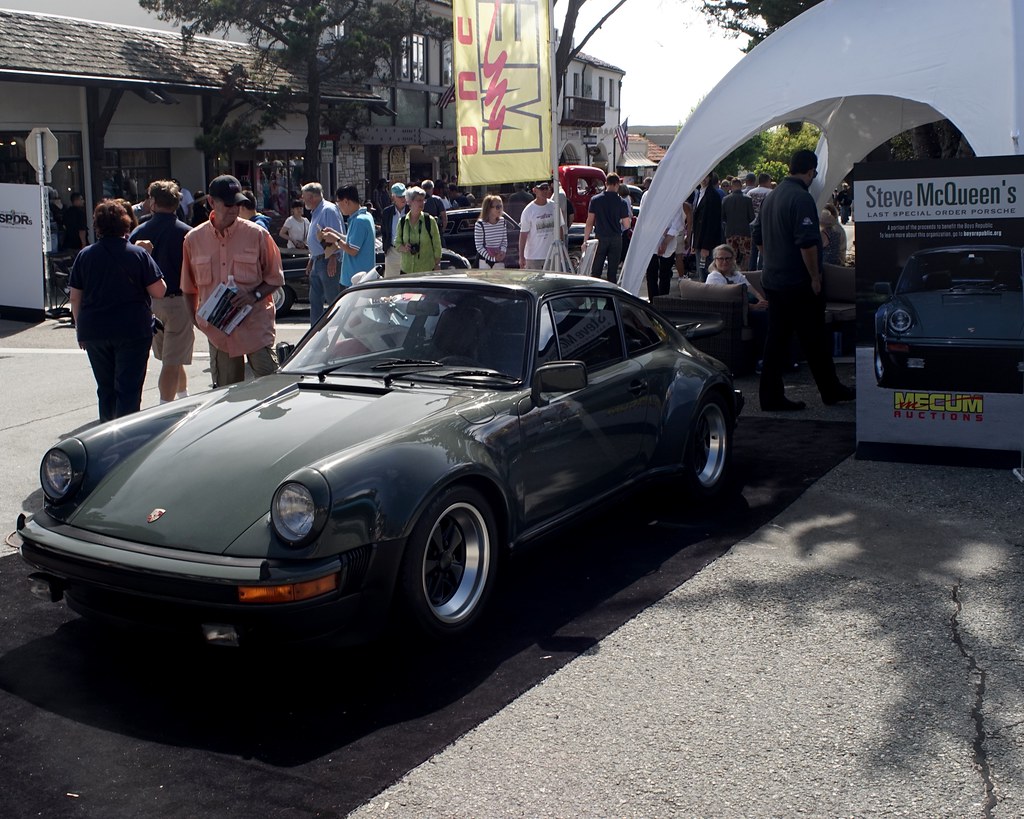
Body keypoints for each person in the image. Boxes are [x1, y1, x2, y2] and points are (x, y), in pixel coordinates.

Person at [753, 149, 855, 411]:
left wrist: (774, 258)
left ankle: (770, 396)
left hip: (774, 279)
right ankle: (830, 389)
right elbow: (807, 243)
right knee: (815, 338)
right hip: (798, 282)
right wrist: (815, 277)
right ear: (811, 171)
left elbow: (758, 237)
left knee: (776, 340)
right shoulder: (801, 198)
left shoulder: (772, 196)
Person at [181, 174, 284, 388]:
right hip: (219, 334)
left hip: (255, 328)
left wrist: (253, 295)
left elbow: (275, 277)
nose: (235, 209)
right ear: (211, 202)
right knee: (226, 396)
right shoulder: (193, 239)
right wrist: (198, 322)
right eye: (229, 204)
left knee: (271, 390)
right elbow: (188, 287)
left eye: (238, 203)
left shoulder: (257, 234)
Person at [69, 199, 166, 421]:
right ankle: (127, 434)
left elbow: (75, 297)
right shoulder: (138, 254)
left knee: (105, 388)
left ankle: (106, 431)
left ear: (98, 225)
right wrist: (148, 256)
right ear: (125, 223)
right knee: (129, 389)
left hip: (95, 329)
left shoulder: (85, 255)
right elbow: (159, 291)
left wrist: (80, 329)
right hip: (132, 328)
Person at [130, 179, 194, 404]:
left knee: (171, 357)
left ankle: (182, 397)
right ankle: (165, 406)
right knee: (173, 359)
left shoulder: (139, 231)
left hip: (150, 303)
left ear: (153, 202)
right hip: (179, 300)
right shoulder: (188, 234)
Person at [301, 181, 344, 325]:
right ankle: (315, 333)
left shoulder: (328, 210)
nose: (303, 200)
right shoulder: (316, 211)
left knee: (333, 300)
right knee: (315, 300)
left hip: (328, 261)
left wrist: (333, 258)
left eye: (305, 197)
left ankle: (339, 329)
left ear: (312, 197)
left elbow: (335, 236)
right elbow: (318, 237)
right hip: (317, 260)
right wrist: (311, 259)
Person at [583, 173, 631, 283]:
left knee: (596, 271)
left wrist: (585, 240)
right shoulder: (622, 202)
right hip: (616, 238)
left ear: (606, 184)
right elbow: (627, 225)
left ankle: (595, 292)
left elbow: (590, 221)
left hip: (600, 237)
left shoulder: (595, 200)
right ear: (617, 184)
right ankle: (610, 293)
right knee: (612, 273)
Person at [325, 184, 376, 287]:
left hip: (357, 279)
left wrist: (336, 239)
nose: (338, 207)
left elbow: (352, 250)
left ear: (346, 201)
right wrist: (335, 233)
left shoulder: (359, 221)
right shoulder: (365, 215)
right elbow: (351, 241)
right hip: (359, 277)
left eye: (338, 202)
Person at [397, 186, 442, 274]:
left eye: (423, 200)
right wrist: (404, 248)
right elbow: (397, 243)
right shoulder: (402, 221)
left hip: (426, 270)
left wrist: (437, 264)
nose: (422, 203)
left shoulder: (429, 220)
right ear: (410, 202)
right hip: (407, 270)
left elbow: (437, 245)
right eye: (419, 200)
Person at [518, 181, 562, 269]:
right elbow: (523, 235)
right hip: (534, 256)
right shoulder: (528, 210)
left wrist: (560, 249)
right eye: (542, 188)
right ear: (534, 190)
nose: (545, 191)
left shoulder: (554, 206)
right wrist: (521, 256)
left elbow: (560, 228)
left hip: (552, 255)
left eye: (546, 188)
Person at [691, 172, 723, 279]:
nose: (704, 179)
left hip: (707, 243)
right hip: (699, 240)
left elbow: (712, 223)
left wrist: (706, 246)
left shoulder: (712, 195)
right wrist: (693, 243)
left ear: (710, 178)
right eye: (702, 177)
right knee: (702, 272)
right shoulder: (699, 193)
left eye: (706, 177)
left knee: (707, 274)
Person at [722, 178, 755, 268]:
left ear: (731, 186)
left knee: (731, 255)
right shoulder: (748, 199)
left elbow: (723, 217)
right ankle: (745, 272)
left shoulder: (725, 199)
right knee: (746, 255)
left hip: (730, 231)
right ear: (741, 186)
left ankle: (732, 272)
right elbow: (752, 217)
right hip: (744, 231)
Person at [380, 182, 408, 279]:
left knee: (409, 281)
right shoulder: (387, 212)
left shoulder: (411, 210)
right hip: (392, 251)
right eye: (400, 197)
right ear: (393, 197)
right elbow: (384, 232)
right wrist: (386, 250)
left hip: (408, 251)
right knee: (390, 281)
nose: (403, 199)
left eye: (404, 196)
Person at [746, 173, 773, 271]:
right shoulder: (771, 193)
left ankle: (751, 269)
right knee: (763, 248)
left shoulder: (750, 193)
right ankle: (761, 269)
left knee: (752, 249)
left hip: (751, 222)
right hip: (764, 223)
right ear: (768, 181)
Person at [474, 194, 508, 269]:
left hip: (499, 260)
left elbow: (504, 241)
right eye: (497, 207)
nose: (500, 209)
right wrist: (493, 258)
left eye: (501, 206)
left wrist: (502, 252)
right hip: (484, 261)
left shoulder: (502, 221)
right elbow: (479, 247)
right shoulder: (480, 224)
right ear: (489, 208)